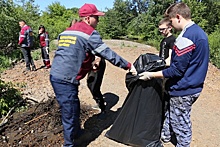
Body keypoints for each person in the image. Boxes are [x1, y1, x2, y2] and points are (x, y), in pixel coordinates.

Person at [50, 3, 137, 147]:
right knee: (69, 113)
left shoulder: (67, 31)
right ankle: (69, 144)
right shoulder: (89, 33)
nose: (98, 21)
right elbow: (108, 53)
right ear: (88, 18)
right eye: (96, 17)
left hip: (56, 75)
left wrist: (89, 61)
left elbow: (70, 53)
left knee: (74, 106)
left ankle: (78, 134)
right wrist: (128, 65)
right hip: (65, 80)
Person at [139, 2, 209, 147]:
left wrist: (151, 75)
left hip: (184, 88)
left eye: (170, 21)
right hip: (194, 85)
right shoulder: (199, 33)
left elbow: (176, 70)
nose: (171, 25)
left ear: (178, 17)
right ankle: (165, 136)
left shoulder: (186, 37)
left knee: (181, 124)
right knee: (172, 113)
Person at [69, 18, 107, 114]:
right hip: (88, 63)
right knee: (89, 83)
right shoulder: (72, 35)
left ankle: (102, 108)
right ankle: (98, 101)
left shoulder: (90, 34)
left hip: (96, 63)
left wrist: (97, 61)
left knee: (93, 86)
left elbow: (99, 49)